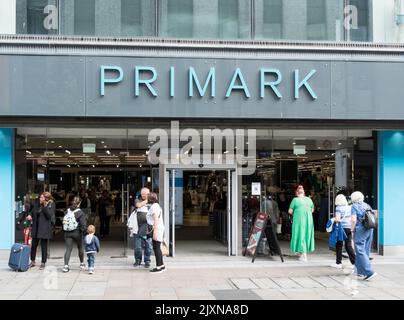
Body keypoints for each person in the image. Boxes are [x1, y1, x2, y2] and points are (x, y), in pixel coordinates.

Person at [350, 191, 377, 281]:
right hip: (369, 228)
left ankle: (369, 272)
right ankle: (360, 271)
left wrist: (352, 229)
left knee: (360, 250)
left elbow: (353, 220)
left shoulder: (354, 206)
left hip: (361, 229)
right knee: (365, 250)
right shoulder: (367, 205)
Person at [27, 192, 55, 270]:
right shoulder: (37, 203)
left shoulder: (51, 204)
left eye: (42, 198)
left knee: (43, 246)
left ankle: (43, 262)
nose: (40, 199)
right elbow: (33, 211)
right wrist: (30, 215)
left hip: (44, 228)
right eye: (40, 197)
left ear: (46, 198)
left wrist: (45, 206)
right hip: (36, 227)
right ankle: (32, 261)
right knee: (33, 245)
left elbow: (49, 216)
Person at [288, 185, 315, 262]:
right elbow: (312, 210)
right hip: (308, 221)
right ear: (304, 192)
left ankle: (304, 256)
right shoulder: (309, 199)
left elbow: (290, 211)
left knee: (300, 235)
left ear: (297, 193)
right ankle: (300, 252)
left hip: (299, 221)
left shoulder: (295, 200)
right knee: (306, 235)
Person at [330, 194, 356, 269]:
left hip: (341, 229)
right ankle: (354, 263)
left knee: (339, 245)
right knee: (348, 246)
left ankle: (338, 263)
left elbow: (338, 219)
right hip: (349, 228)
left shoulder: (338, 208)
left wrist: (333, 219)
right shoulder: (350, 207)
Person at [62, 196, 87, 273]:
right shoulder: (80, 213)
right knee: (80, 247)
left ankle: (66, 266)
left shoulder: (67, 211)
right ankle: (82, 263)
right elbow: (83, 225)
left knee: (68, 249)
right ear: (79, 203)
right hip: (77, 233)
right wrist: (85, 233)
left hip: (67, 233)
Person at [132, 188, 152, 268]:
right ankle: (138, 260)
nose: (145, 195)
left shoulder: (152, 201)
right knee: (137, 246)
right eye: (143, 194)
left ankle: (147, 261)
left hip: (148, 228)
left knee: (148, 246)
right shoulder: (137, 200)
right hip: (137, 227)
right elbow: (138, 205)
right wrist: (148, 200)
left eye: (147, 194)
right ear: (141, 194)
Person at [147, 192, 166, 273]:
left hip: (157, 229)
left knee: (156, 248)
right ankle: (162, 265)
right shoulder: (156, 205)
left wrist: (154, 232)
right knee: (157, 247)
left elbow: (155, 219)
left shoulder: (154, 207)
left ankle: (158, 267)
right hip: (158, 228)